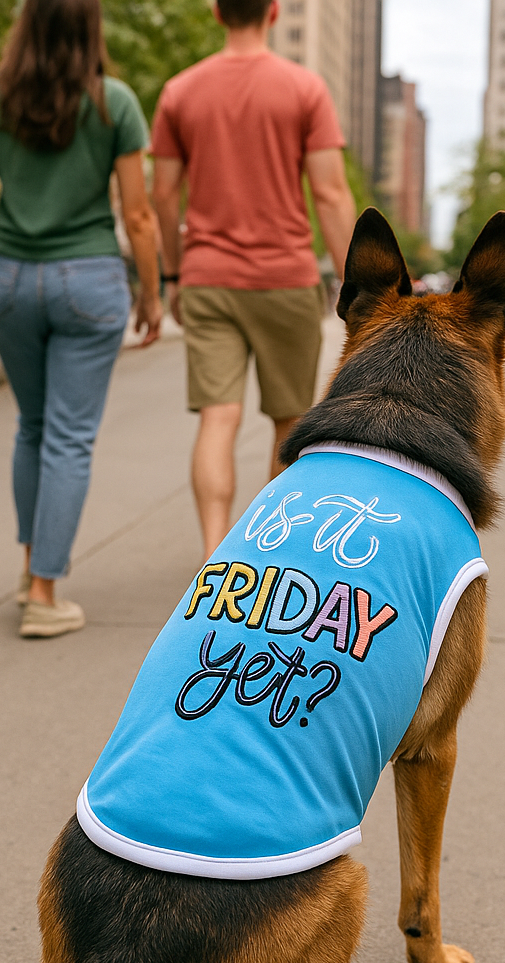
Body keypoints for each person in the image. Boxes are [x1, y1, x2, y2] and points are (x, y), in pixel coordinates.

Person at [0, 0, 162, 638]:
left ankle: (32, 567)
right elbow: (139, 215)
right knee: (68, 436)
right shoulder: (113, 103)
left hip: (7, 280)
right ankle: (43, 595)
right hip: (88, 280)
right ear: (90, 27)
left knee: (32, 426)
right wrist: (152, 293)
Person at [151, 0, 357, 558]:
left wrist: (172, 272)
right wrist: (359, 283)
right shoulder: (305, 89)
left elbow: (163, 195)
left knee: (218, 418)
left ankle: (212, 557)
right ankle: (266, 555)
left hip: (207, 277)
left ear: (217, 12)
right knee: (289, 423)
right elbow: (332, 194)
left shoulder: (179, 92)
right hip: (285, 280)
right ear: (272, 11)